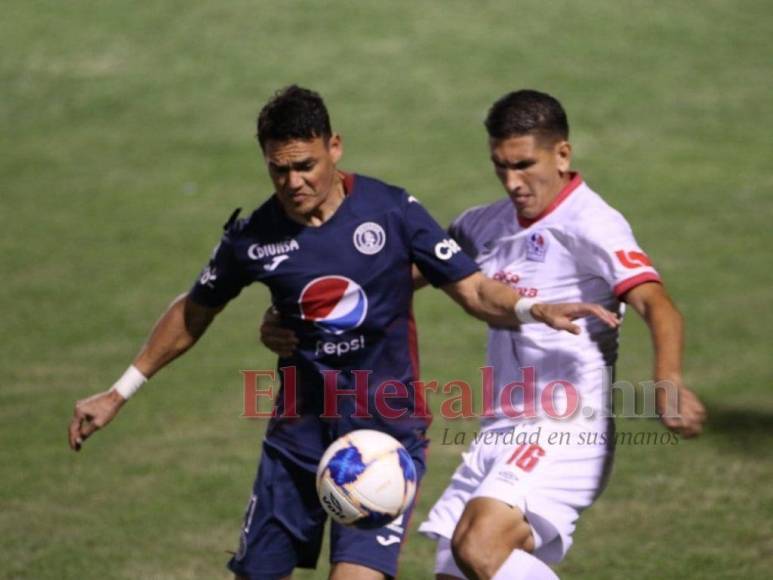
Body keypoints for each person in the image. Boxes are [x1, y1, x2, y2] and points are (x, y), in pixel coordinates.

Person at [68, 86, 617, 580]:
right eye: (278, 170)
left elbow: (473, 289)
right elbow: (195, 310)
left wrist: (530, 308)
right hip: (295, 444)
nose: (293, 182)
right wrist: (120, 391)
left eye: (304, 165)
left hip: (380, 443)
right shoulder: (254, 236)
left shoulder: (393, 210)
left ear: (334, 146)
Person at [260, 89, 707, 579]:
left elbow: (657, 303)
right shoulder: (481, 225)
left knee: (480, 544)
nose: (513, 182)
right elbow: (380, 281)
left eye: (524, 165)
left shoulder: (592, 224)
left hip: (568, 426)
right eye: (501, 167)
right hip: (501, 429)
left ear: (562, 153)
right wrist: (293, 315)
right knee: (458, 568)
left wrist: (669, 381)